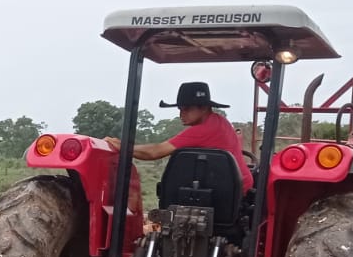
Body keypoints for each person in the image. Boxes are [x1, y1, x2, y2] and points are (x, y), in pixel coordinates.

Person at [105, 81, 254, 192]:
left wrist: (121, 147)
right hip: (236, 184)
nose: (181, 114)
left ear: (204, 108)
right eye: (180, 109)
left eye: (187, 109)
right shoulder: (220, 121)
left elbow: (154, 152)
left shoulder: (203, 130)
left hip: (231, 190)